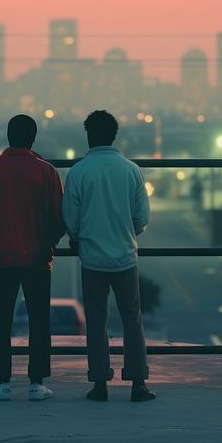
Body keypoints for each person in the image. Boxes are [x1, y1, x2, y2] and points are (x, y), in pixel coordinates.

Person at [0, 114, 65, 401]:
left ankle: (2, 383)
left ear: (8, 136)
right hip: (38, 258)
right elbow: (59, 217)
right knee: (39, 321)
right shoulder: (47, 172)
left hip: (1, 258)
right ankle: (36, 383)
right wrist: (49, 242)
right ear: (33, 138)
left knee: (1, 320)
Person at [62, 109, 155, 402]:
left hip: (91, 258)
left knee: (96, 321)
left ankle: (100, 383)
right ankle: (138, 383)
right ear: (114, 135)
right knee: (132, 320)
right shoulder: (132, 170)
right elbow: (141, 218)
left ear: (89, 135)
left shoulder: (78, 172)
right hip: (125, 257)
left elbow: (71, 219)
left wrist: (78, 238)